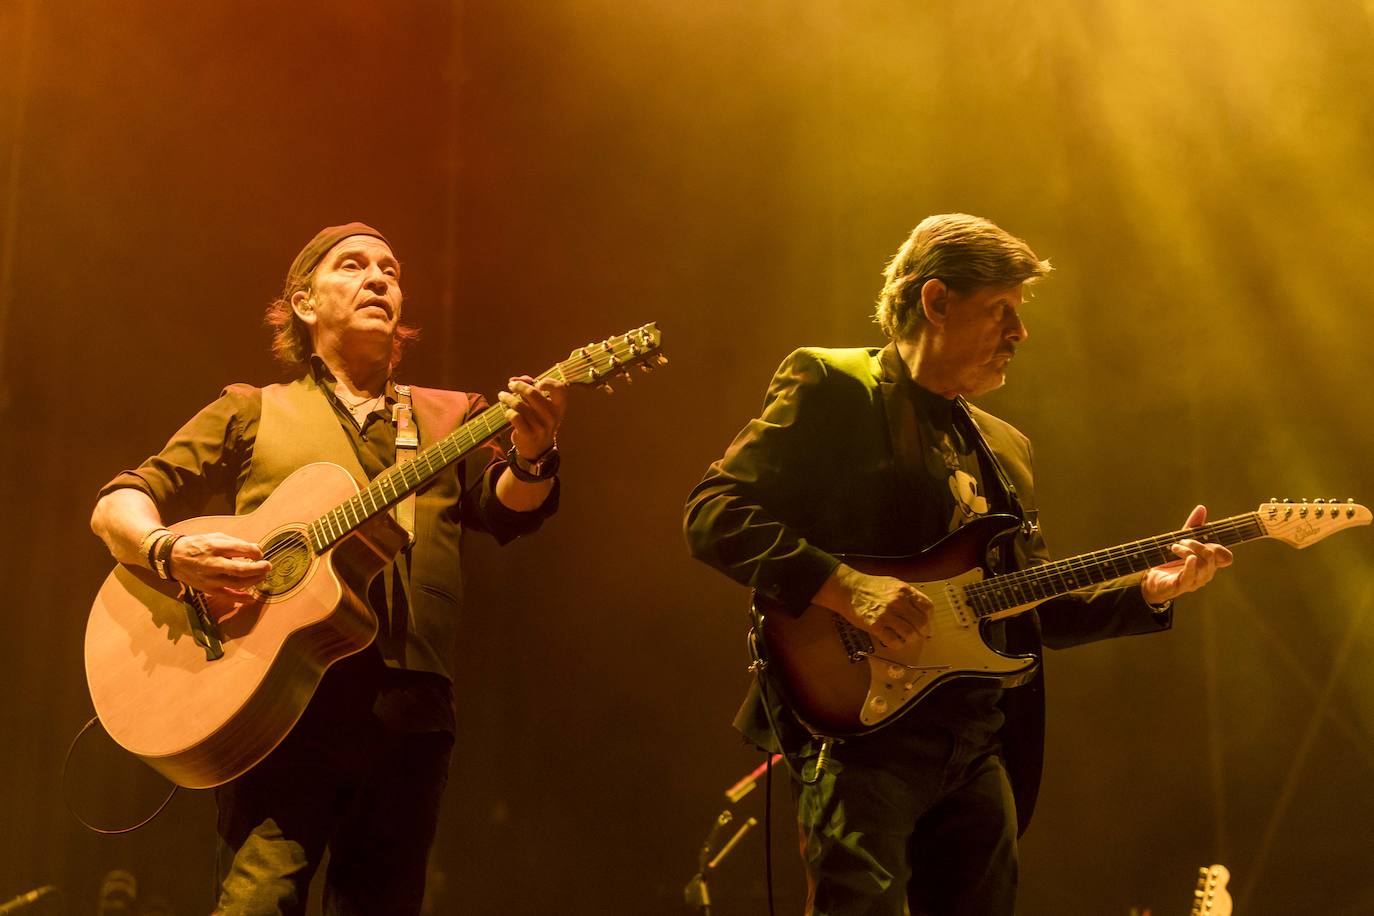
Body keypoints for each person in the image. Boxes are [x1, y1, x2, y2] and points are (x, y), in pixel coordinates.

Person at [683, 213, 1232, 916]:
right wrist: (846, 588)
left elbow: (1023, 603)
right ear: (936, 300)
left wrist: (1150, 591)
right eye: (1000, 310)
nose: (1019, 333)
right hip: (859, 735)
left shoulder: (1007, 449)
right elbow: (714, 513)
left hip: (976, 740)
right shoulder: (831, 384)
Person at [90, 222, 566, 914]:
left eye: (391, 270)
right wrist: (170, 550)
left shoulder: (453, 416)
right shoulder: (251, 409)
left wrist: (532, 457)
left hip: (411, 704)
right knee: (258, 900)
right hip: (276, 697)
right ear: (305, 303)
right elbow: (121, 503)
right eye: (354, 265)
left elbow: (505, 512)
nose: (379, 278)